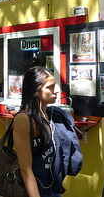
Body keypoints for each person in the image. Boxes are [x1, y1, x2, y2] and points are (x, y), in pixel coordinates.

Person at [13, 66, 82, 197]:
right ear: (35, 91)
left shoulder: (53, 116)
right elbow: (25, 169)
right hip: (34, 190)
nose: (55, 91)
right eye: (49, 87)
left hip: (53, 189)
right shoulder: (24, 119)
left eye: (54, 86)